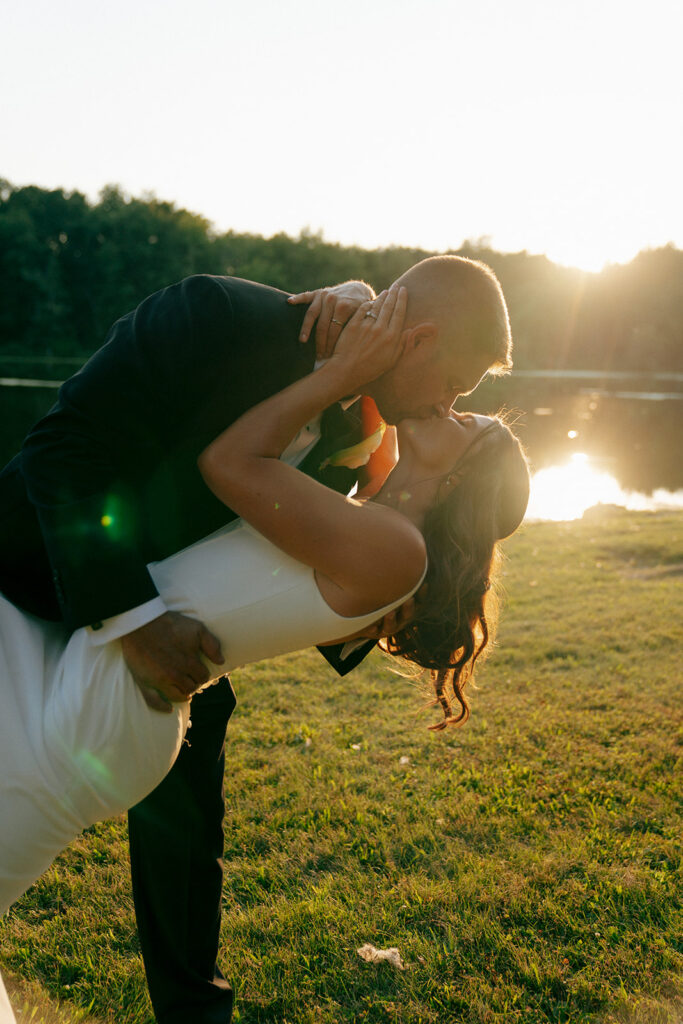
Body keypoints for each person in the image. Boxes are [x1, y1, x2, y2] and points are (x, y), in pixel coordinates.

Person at [0, 257, 514, 1023]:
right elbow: (62, 452)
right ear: (424, 338)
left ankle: (191, 1006)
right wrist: (134, 618)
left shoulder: (361, 426)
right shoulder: (212, 316)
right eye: (458, 385)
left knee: (171, 822)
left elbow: (281, 534)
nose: (452, 403)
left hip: (156, 667)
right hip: (44, 586)